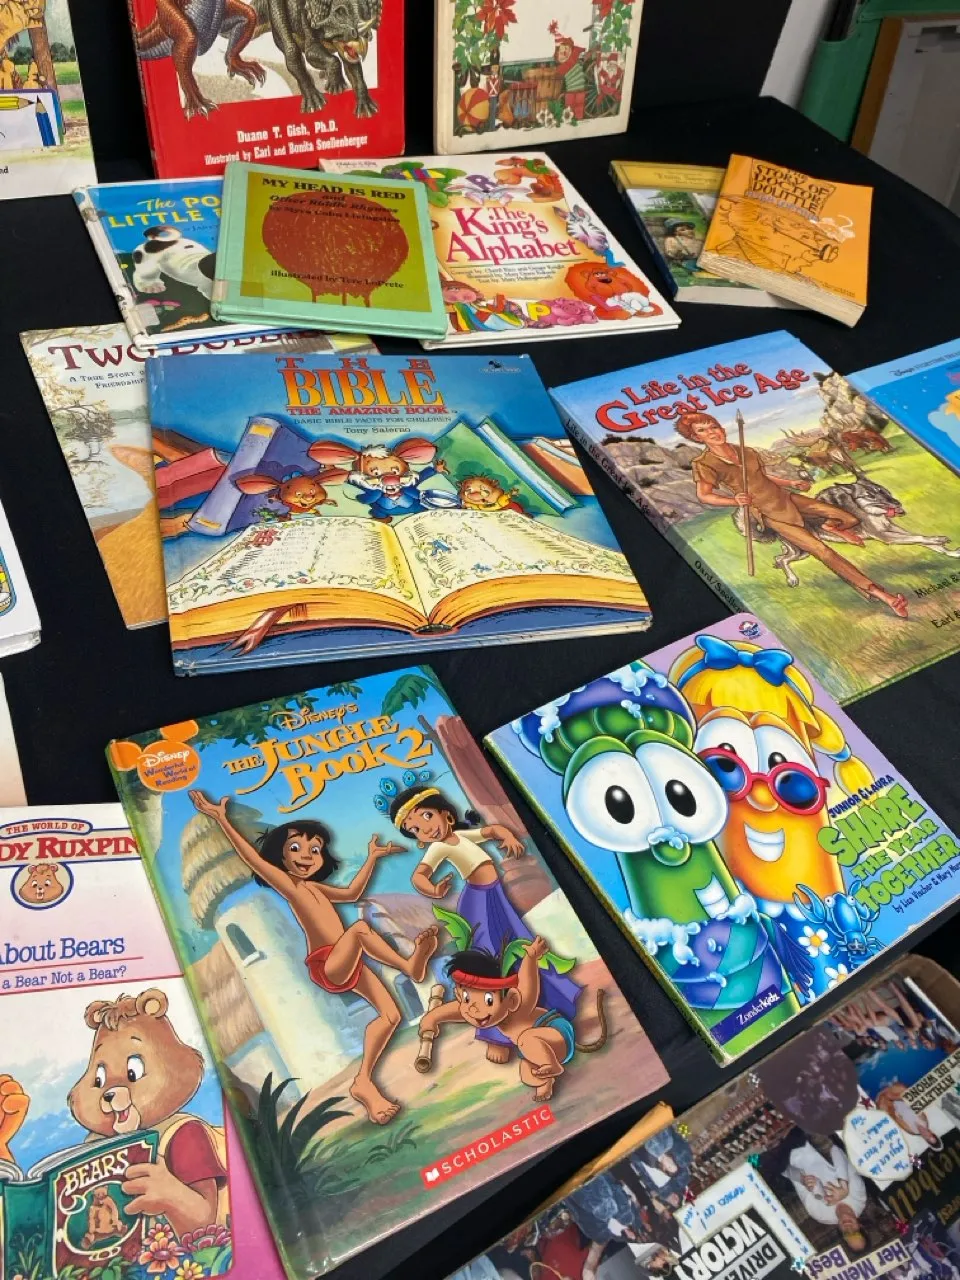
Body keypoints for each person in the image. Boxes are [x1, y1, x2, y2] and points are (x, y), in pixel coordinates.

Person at [189, 791, 438, 1125]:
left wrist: (372, 857)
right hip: (327, 962)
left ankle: (364, 1082)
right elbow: (253, 860)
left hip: (348, 958)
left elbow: (352, 893)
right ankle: (409, 965)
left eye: (315, 849)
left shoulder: (317, 888)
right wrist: (222, 819)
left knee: (391, 1015)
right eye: (296, 848)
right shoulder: (291, 887)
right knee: (360, 930)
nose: (306, 855)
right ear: (280, 856)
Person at [391, 785, 581, 1063]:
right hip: (476, 901)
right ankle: (496, 1036)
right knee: (487, 963)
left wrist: (507, 835)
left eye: (426, 817)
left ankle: (546, 1005)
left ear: (447, 815)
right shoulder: (439, 847)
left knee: (519, 947)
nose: (425, 829)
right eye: (415, 829)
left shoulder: (459, 836)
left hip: (495, 896)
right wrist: (433, 890)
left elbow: (491, 831)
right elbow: (419, 876)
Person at [677, 411, 908, 618]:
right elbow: (705, 496)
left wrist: (791, 483)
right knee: (822, 551)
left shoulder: (746, 451)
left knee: (849, 518)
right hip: (766, 511)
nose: (712, 432)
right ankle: (885, 596)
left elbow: (763, 477)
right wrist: (733, 501)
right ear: (696, 437)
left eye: (713, 426)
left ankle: (829, 527)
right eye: (703, 431)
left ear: (721, 428)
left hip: (786, 497)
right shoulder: (703, 463)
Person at [785, 1133, 868, 1252]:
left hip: (787, 1155)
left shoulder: (821, 1215)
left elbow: (787, 1170)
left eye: (847, 1234)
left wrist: (803, 1179)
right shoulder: (859, 1198)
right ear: (861, 1226)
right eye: (855, 1232)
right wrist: (844, 1187)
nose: (848, 1228)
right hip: (810, 1137)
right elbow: (836, 1151)